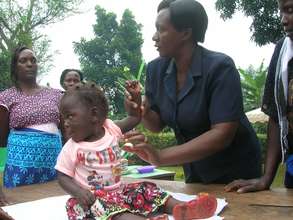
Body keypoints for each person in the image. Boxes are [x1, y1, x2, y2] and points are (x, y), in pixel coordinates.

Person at [124, 0, 262, 184]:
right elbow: (156, 125)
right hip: (195, 170)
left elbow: (222, 134)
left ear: (186, 33)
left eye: (161, 29)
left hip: (236, 173)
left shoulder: (220, 68)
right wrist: (141, 111)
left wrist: (160, 156)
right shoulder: (155, 69)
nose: (154, 37)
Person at [55, 82, 217, 220]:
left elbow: (134, 118)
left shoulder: (111, 129)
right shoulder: (71, 147)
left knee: (147, 188)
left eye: (70, 116)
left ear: (94, 115)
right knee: (104, 210)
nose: (65, 123)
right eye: (63, 117)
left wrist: (136, 99)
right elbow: (62, 176)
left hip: (120, 192)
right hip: (92, 199)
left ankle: (185, 208)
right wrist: (78, 192)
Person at [225, 0, 293, 193]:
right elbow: (275, 117)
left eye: (290, 11)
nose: (283, 20)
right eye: (281, 12)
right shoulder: (282, 51)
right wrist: (266, 179)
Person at [0, 46, 63, 193]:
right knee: (20, 208)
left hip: (53, 164)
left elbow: (67, 131)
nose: (29, 64)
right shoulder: (6, 97)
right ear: (15, 67)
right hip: (19, 168)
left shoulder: (55, 94)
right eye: (23, 60)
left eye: (33, 60)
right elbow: (1, 138)